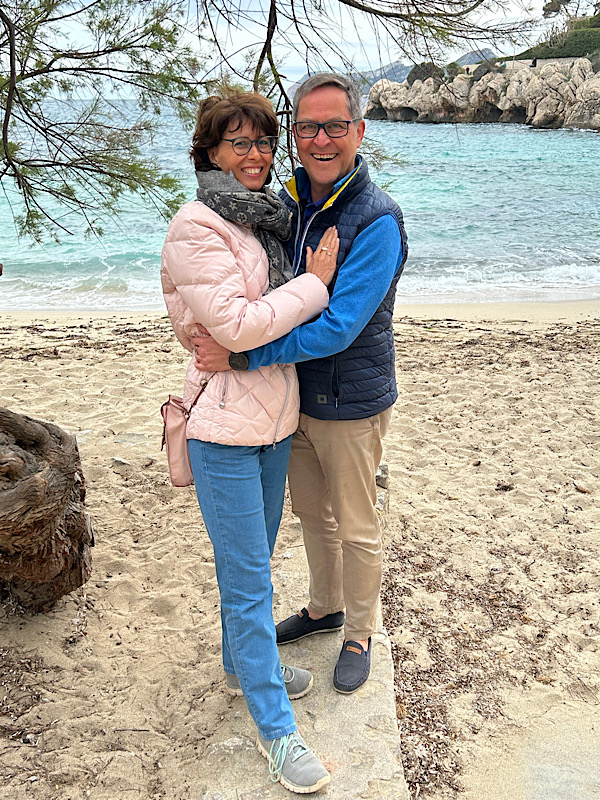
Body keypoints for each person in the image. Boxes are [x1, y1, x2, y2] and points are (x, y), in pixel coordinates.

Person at [193, 73, 408, 696]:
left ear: (358, 132)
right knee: (313, 514)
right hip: (295, 398)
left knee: (357, 522)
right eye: (307, 126)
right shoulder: (294, 202)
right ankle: (324, 607)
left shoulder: (377, 220)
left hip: (350, 400)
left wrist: (245, 355)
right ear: (295, 134)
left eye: (334, 126)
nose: (320, 138)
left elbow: (339, 327)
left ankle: (361, 631)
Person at [161, 91, 340, 794]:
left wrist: (276, 317)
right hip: (222, 432)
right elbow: (236, 329)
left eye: (265, 142)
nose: (257, 155)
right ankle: (277, 732)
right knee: (248, 585)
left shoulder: (271, 220)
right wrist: (316, 285)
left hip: (272, 422)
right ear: (209, 152)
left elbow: (261, 326)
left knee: (255, 565)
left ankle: (245, 663)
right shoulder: (195, 227)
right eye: (239, 143)